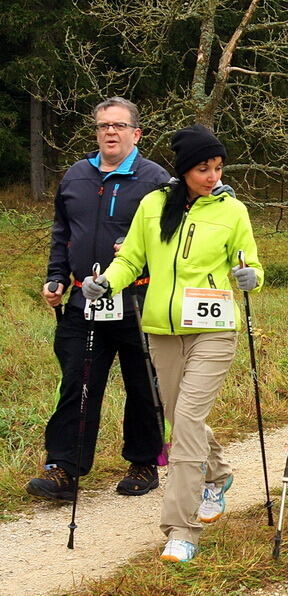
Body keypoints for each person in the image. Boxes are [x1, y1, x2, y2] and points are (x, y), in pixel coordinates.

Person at [83, 124, 263, 563]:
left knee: (185, 422)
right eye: (204, 168)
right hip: (162, 330)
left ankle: (181, 530)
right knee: (182, 417)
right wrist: (105, 282)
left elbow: (251, 265)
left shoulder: (232, 211)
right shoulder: (153, 205)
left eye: (218, 168)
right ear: (184, 170)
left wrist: (250, 277)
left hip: (213, 330)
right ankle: (217, 474)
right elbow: (130, 259)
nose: (213, 176)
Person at [28, 97, 169, 502]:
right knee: (78, 382)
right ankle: (63, 470)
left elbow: (173, 233)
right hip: (82, 299)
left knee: (142, 384)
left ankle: (143, 462)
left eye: (119, 126)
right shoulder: (75, 176)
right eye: (104, 126)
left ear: (136, 133)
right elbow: (62, 231)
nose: (110, 132)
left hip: (138, 298)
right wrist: (56, 277)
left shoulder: (155, 179)